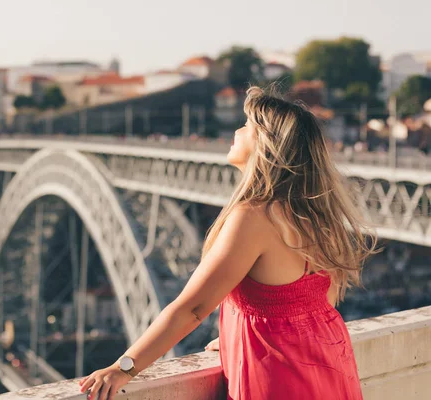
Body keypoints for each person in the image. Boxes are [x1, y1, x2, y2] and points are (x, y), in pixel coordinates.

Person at [79, 86, 377, 400]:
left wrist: (124, 367)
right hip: (328, 367)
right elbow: (315, 303)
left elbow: (193, 309)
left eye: (247, 126)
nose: (237, 130)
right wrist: (244, 335)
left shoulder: (255, 216)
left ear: (265, 144)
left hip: (281, 379)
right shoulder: (317, 215)